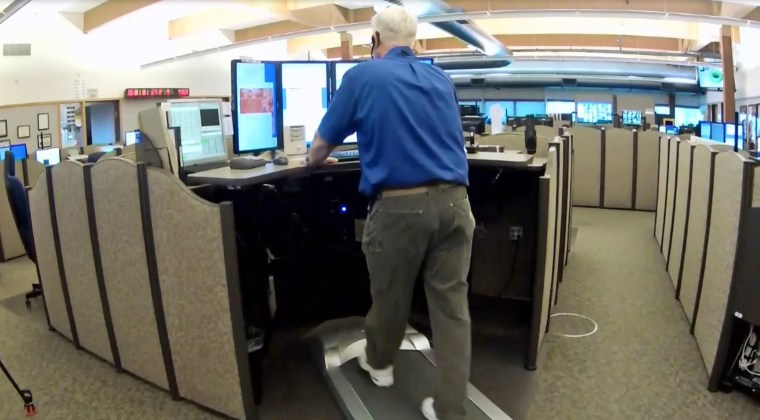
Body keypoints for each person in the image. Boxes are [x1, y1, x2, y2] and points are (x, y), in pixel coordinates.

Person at [306, 5, 474, 420]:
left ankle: (379, 365)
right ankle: (452, 409)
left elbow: (317, 150)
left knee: (390, 298)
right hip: (457, 205)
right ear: (415, 42)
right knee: (453, 311)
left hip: (401, 209)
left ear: (374, 41)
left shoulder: (363, 75)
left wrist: (319, 160)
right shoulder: (440, 77)